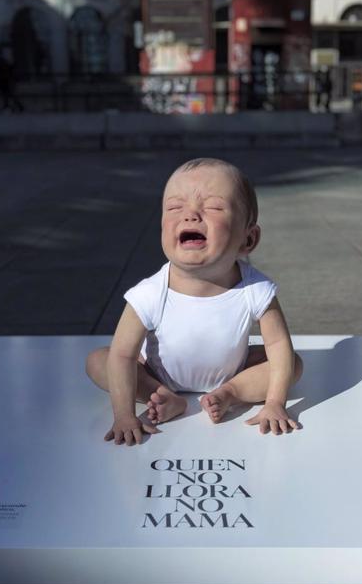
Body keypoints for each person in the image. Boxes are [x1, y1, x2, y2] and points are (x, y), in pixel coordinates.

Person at [85, 158, 304, 446]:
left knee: (292, 363)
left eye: (213, 207)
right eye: (175, 207)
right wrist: (124, 415)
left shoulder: (255, 288)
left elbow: (277, 344)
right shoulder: (149, 293)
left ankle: (231, 393)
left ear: (248, 239)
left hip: (232, 372)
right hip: (156, 373)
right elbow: (124, 355)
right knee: (100, 360)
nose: (190, 215)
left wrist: (275, 402)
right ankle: (159, 394)